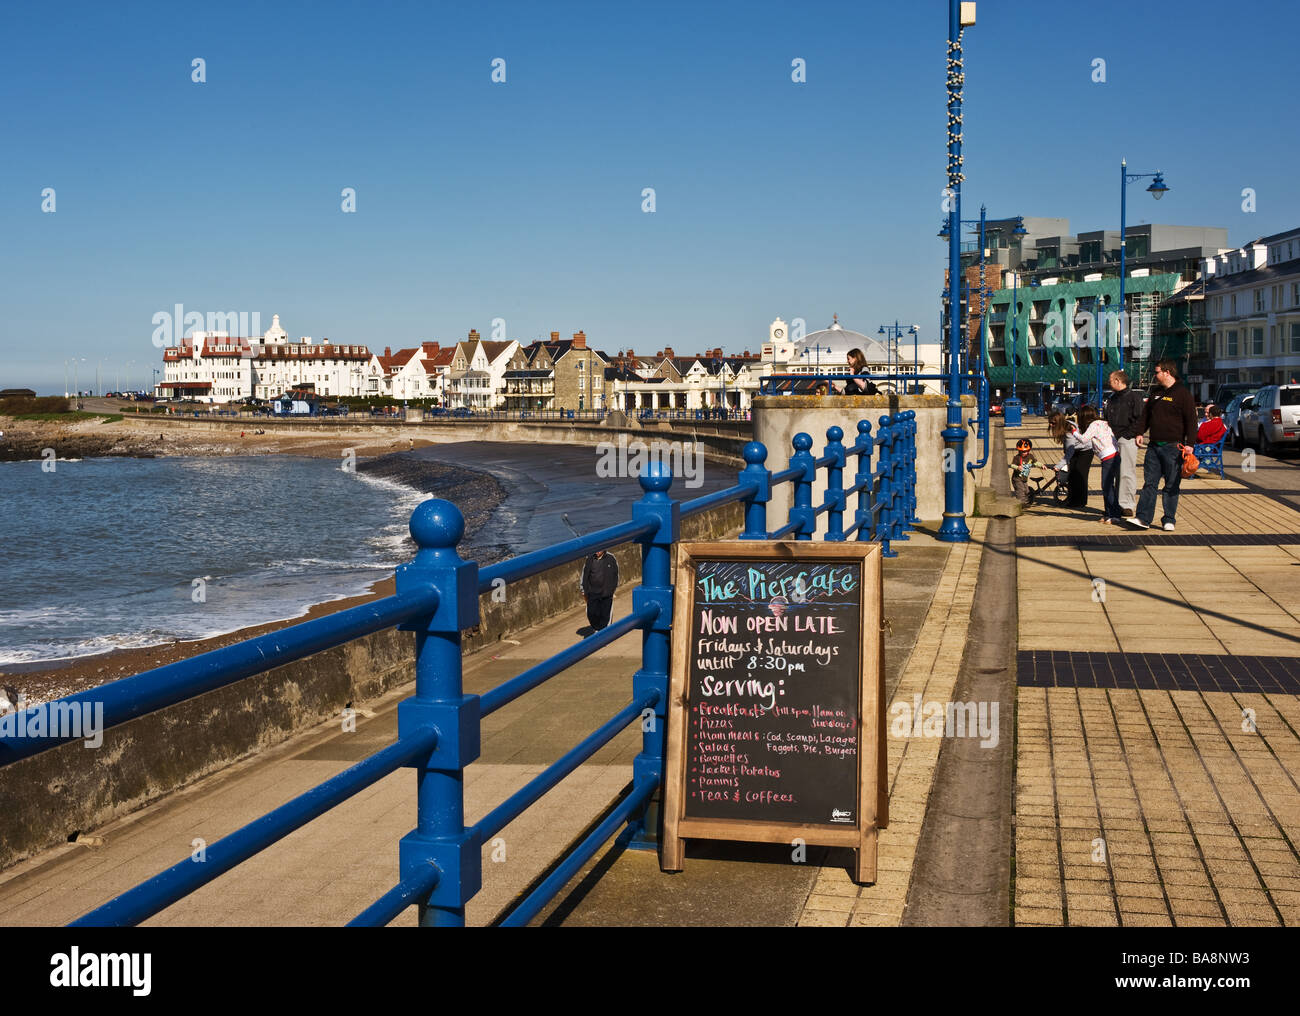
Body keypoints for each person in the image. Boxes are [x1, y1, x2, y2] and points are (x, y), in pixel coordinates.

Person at [1123, 358, 1198, 532]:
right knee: (1150, 483)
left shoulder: (1182, 393)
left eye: (1157, 372)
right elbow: (1146, 416)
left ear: (1167, 372)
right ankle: (1143, 518)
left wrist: (1190, 444)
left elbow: (1191, 421)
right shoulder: (1155, 392)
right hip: (1154, 446)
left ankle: (1169, 518)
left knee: (1171, 484)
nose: (1154, 375)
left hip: (1174, 447)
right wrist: (1140, 432)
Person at [1103, 370, 1144, 518]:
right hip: (1113, 438)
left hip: (1126, 438)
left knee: (1126, 472)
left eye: (1111, 380)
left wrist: (1128, 434)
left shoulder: (1134, 397)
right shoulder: (1112, 397)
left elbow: (1139, 418)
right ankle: (1117, 504)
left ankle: (1126, 504)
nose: (1109, 382)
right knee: (1114, 473)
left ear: (1117, 381)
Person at [1073, 404, 1120, 522]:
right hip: (1114, 454)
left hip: (1108, 456)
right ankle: (1109, 513)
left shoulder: (1093, 425)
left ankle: (1114, 515)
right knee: (1108, 486)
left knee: (1107, 486)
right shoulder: (1103, 422)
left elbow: (1083, 439)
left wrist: (1073, 431)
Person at [581, 548, 619, 632]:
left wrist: (612, 590)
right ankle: (596, 628)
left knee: (605, 615)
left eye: (600, 550)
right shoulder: (589, 559)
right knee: (591, 613)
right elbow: (584, 575)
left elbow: (615, 575)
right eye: (596, 550)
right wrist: (584, 590)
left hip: (606, 593)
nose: (597, 552)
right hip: (592, 593)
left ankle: (603, 634)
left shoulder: (611, 558)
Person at [1011, 438, 1038, 504]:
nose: (1023, 453)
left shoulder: (1030, 456)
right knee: (1020, 490)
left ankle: (1026, 501)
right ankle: (1021, 504)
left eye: (1025, 451)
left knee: (1026, 491)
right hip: (1017, 478)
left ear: (1028, 450)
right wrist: (1017, 467)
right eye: (1021, 451)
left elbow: (1035, 463)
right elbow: (1012, 465)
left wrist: (1042, 466)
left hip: (1024, 478)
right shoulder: (1017, 457)